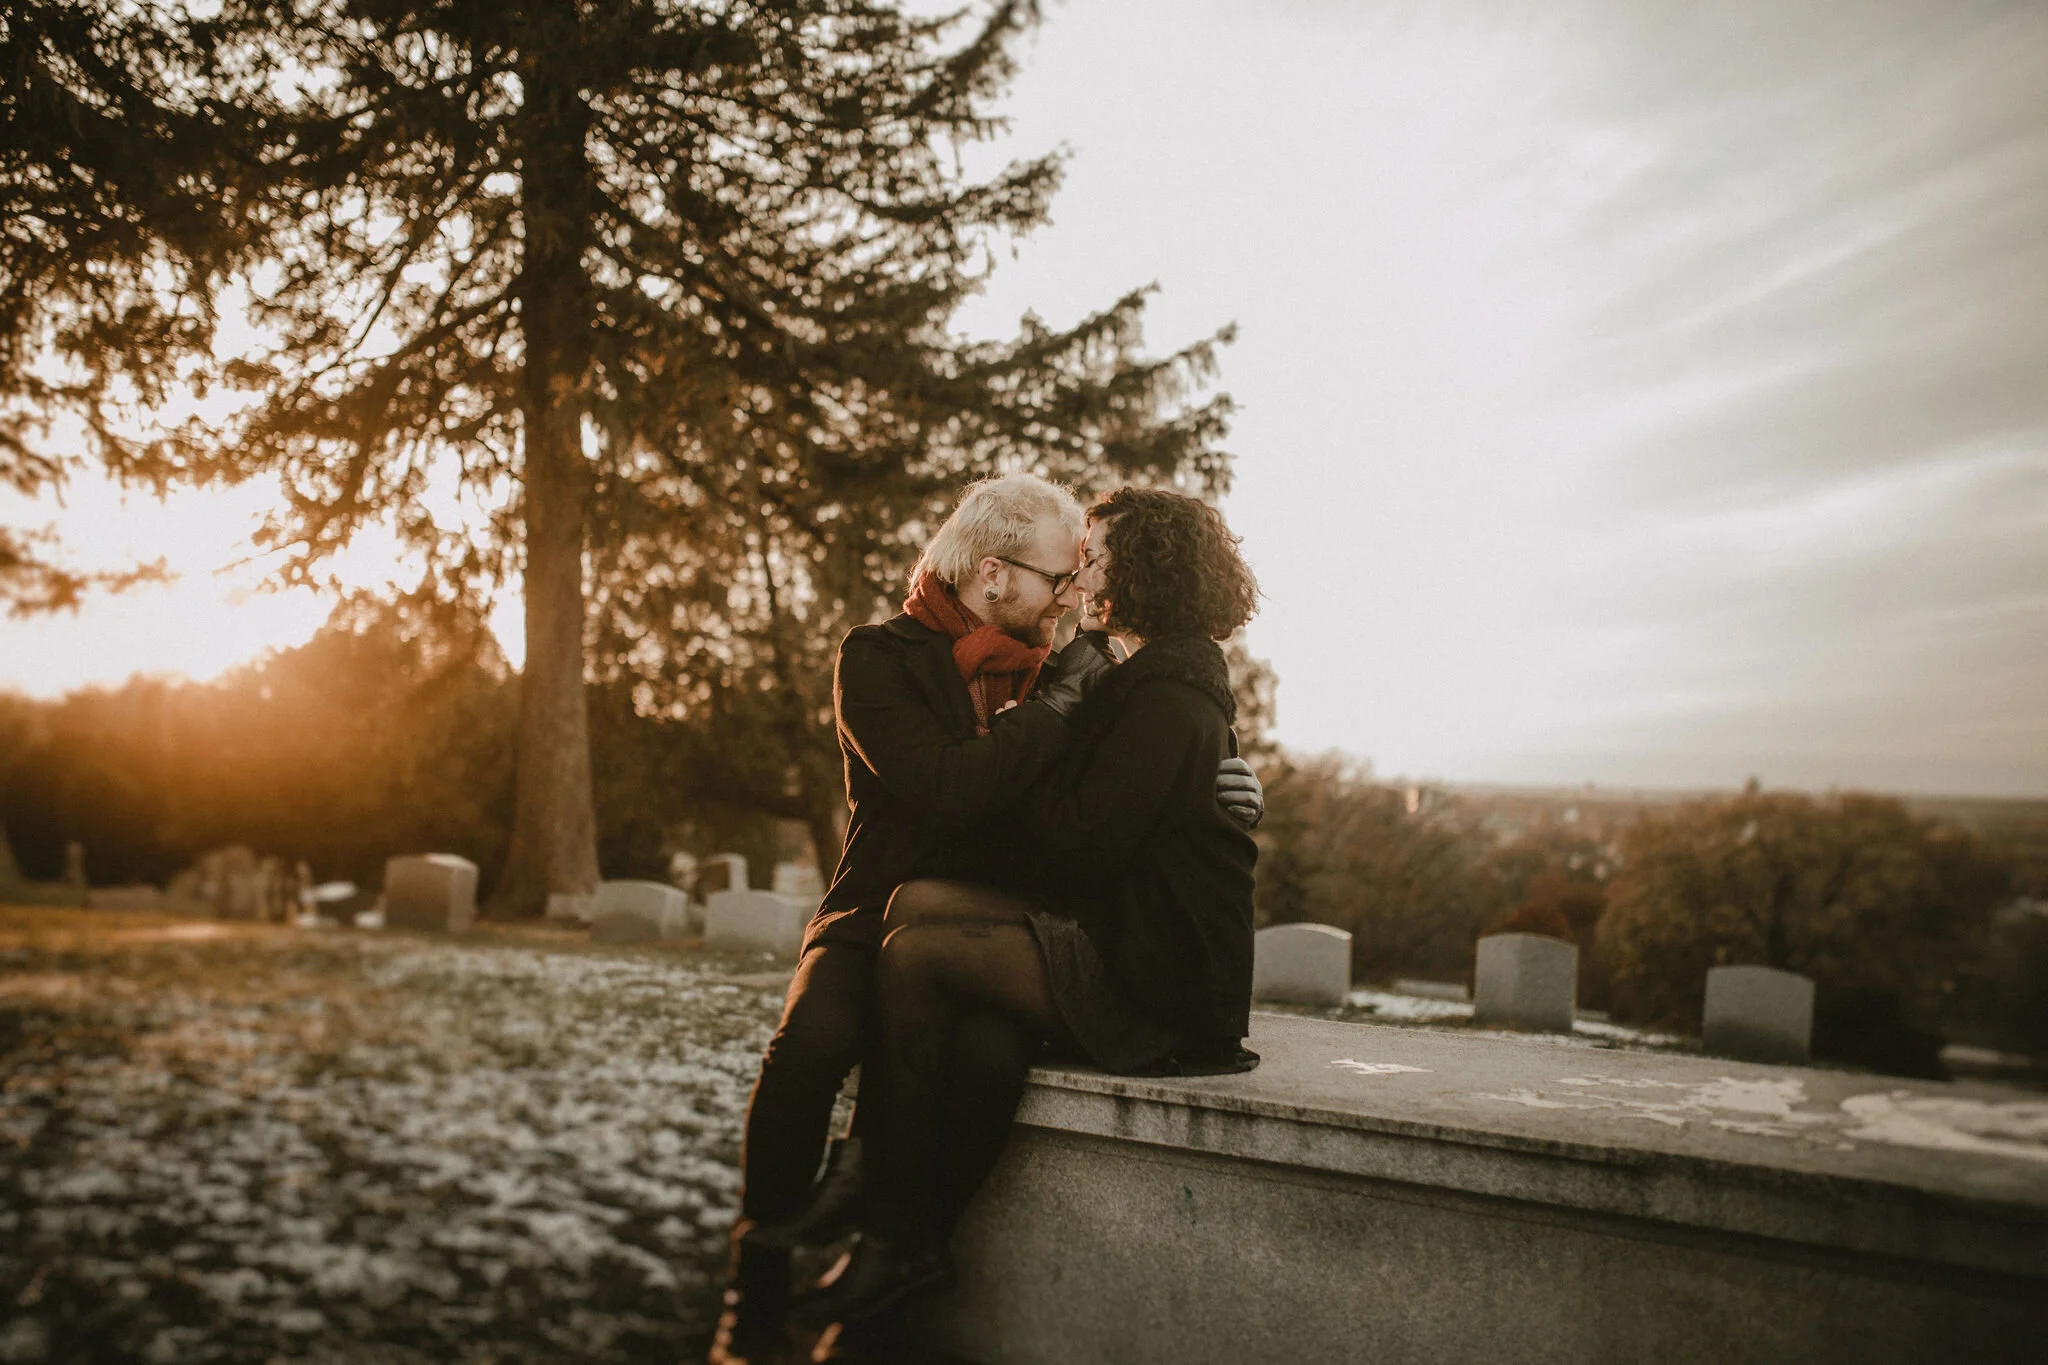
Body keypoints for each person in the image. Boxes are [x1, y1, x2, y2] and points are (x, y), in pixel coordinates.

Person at [711, 474, 1263, 1364]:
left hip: (1003, 919)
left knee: (990, 1054)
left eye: (1082, 571)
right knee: (810, 1045)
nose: (1072, 591)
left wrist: (1226, 783)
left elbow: (1143, 764)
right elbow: (949, 788)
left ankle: (877, 1296)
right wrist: (1053, 710)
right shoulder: (882, 658)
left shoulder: (1072, 665)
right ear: (995, 573)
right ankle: (756, 1294)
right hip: (877, 905)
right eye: (1059, 574)